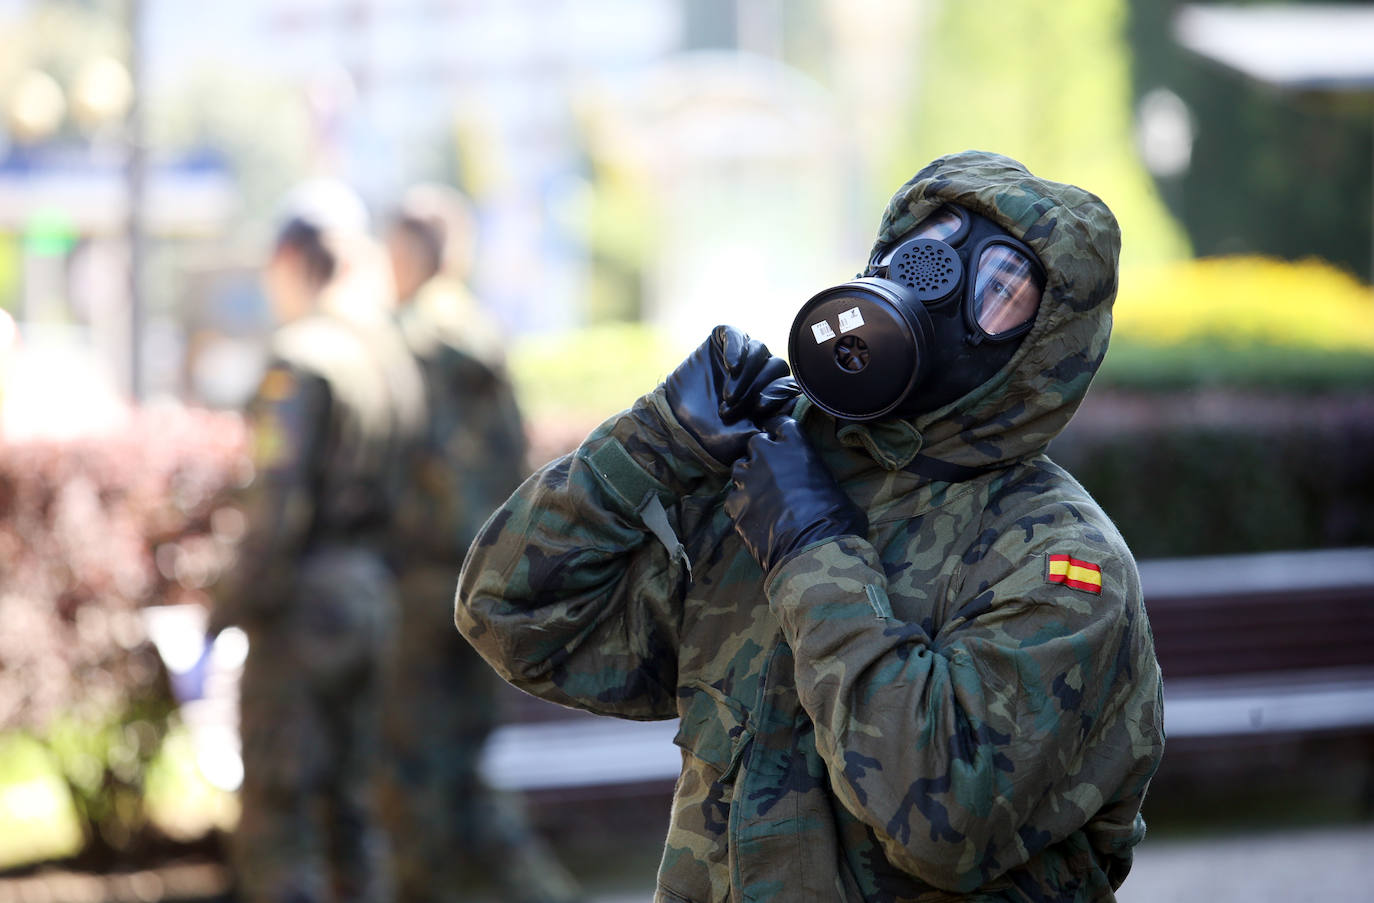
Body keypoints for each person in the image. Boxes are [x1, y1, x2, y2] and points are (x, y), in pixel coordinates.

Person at [455, 150, 1165, 901]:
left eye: (998, 285)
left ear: (1042, 349)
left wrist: (810, 548)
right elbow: (512, 614)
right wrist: (654, 442)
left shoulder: (1063, 561)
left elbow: (941, 817)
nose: (932, 275)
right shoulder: (772, 474)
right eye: (926, 240)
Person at [210, 179, 425, 903]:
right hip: (373, 598)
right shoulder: (387, 351)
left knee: (283, 815)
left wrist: (227, 608)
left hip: (305, 608)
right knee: (355, 809)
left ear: (289, 258)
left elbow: (277, 508)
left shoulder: (300, 356)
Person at [381, 183, 584, 903]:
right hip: (486, 581)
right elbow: (518, 461)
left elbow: (382, 463)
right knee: (461, 766)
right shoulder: (480, 332)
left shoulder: (399, 337)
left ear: (405, 250)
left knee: (409, 774)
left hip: (413, 585)